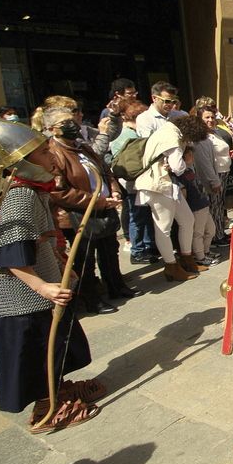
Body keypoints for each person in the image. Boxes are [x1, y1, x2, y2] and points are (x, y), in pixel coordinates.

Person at [0, 112, 103, 431]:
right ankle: (44, 409)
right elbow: (12, 256)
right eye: (44, 152)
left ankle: (57, 388)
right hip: (21, 294)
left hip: (37, 283)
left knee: (54, 343)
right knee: (36, 352)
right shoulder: (20, 195)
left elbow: (42, 238)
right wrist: (44, 287)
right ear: (22, 161)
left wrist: (60, 262)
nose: (51, 156)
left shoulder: (36, 191)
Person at [44, 107, 141, 312]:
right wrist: (98, 201)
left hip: (103, 207)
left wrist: (114, 190)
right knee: (84, 258)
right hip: (78, 214)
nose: (72, 126)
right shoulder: (54, 153)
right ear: (52, 129)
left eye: (72, 121)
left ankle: (116, 286)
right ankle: (91, 299)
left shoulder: (82, 147)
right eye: (65, 123)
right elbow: (59, 192)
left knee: (109, 249)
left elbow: (104, 170)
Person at [135, 115, 211, 282]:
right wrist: (186, 162)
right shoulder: (173, 137)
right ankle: (171, 266)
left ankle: (187, 259)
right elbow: (178, 167)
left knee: (187, 220)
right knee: (163, 228)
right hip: (158, 185)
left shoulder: (169, 131)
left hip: (167, 185)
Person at [110, 100, 159, 265]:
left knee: (143, 216)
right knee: (137, 217)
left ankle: (146, 246)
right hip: (132, 183)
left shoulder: (132, 134)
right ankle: (137, 251)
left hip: (136, 182)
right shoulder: (128, 136)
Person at [198, 107, 232, 245]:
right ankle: (216, 237)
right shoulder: (202, 137)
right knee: (214, 206)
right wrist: (213, 179)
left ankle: (219, 232)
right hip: (214, 175)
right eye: (207, 117)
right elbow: (204, 159)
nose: (210, 120)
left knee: (219, 206)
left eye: (212, 117)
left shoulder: (215, 133)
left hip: (224, 172)